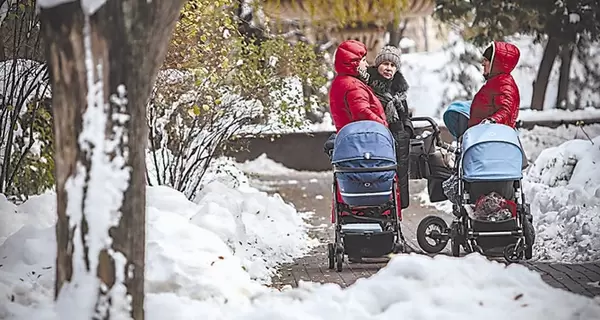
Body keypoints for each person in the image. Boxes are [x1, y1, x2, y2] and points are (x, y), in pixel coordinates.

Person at [366, 45, 413, 209]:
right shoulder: (369, 85)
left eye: (393, 65)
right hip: (377, 135)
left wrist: (406, 129)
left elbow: (406, 115)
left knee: (399, 173)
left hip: (398, 137)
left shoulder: (399, 92)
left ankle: (397, 205)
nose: (388, 68)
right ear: (378, 64)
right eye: (385, 63)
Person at [329, 40, 387, 132]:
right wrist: (384, 126)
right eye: (363, 60)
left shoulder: (341, 81)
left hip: (350, 138)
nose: (367, 64)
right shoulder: (353, 86)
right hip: (365, 139)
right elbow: (363, 113)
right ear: (353, 62)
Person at [469, 41, 520, 128]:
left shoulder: (505, 85)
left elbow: (506, 111)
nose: (482, 64)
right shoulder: (495, 83)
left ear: (494, 62)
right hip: (482, 136)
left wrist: (492, 121)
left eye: (486, 60)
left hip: (491, 137)